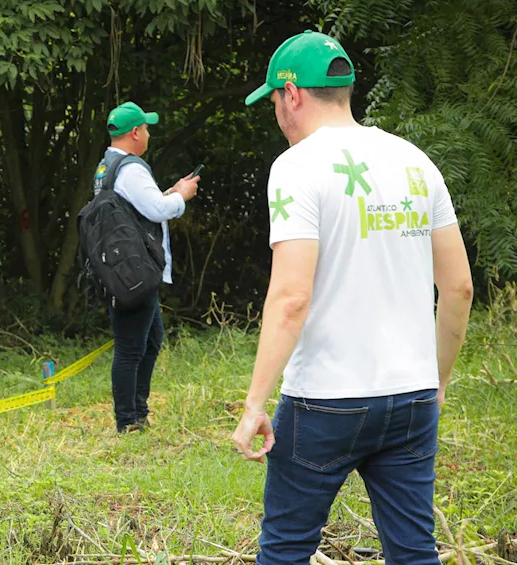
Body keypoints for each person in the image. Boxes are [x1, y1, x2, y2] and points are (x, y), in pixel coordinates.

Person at [229, 31, 474, 564]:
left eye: (273, 99)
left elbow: (291, 296)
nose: (276, 112)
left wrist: (254, 404)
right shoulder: (415, 162)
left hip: (325, 401)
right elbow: (458, 287)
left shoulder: (296, 168)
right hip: (411, 398)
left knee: (287, 550)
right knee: (414, 554)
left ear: (292, 94)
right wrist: (437, 381)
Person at [95, 101, 201, 433]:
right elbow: (157, 210)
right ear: (136, 132)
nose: (150, 133)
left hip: (123, 268)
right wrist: (182, 195)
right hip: (135, 270)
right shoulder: (132, 168)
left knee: (151, 339)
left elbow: (134, 205)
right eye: (147, 127)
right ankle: (128, 420)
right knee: (130, 347)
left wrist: (167, 191)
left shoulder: (106, 166)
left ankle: (138, 411)